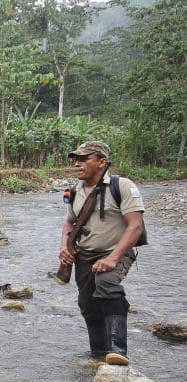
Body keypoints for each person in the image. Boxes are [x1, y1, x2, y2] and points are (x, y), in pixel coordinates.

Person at [58, 141, 145, 366]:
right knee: (88, 304)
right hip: (84, 256)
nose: (77, 163)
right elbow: (70, 222)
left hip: (116, 252)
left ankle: (118, 350)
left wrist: (113, 258)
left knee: (107, 283)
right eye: (76, 159)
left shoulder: (122, 186)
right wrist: (64, 247)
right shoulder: (75, 190)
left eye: (84, 158)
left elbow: (135, 226)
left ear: (102, 162)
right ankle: (98, 354)